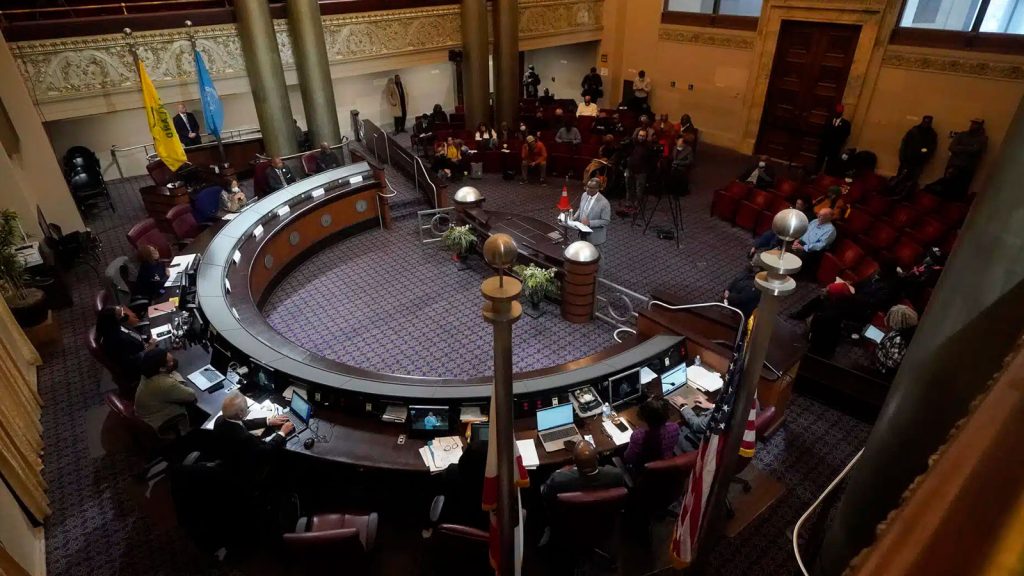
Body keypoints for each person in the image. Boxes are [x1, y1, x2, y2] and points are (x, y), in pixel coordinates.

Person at [134, 349, 196, 437]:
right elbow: (191, 395)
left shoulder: (147, 372)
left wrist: (170, 372)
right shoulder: (164, 384)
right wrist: (174, 375)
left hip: (145, 412)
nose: (173, 361)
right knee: (193, 405)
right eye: (170, 362)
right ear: (162, 368)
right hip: (158, 419)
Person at [541, 440, 625, 499]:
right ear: (597, 458)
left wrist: (560, 471)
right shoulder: (616, 474)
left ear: (574, 461)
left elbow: (546, 494)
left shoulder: (558, 479)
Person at [929, 118, 988, 201]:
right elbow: (952, 147)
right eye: (973, 123)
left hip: (967, 168)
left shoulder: (982, 139)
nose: (973, 126)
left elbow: (976, 150)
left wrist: (960, 149)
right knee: (946, 186)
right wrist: (967, 149)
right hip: (953, 165)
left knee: (960, 190)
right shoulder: (962, 135)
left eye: (976, 124)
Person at [623, 399, 679, 470]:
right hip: (666, 466)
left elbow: (628, 458)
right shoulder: (675, 427)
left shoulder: (638, 435)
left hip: (644, 470)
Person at [96, 305, 151, 375]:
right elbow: (133, 362)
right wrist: (149, 349)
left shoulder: (116, 327)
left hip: (144, 348)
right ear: (113, 320)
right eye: (120, 315)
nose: (124, 314)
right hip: (141, 366)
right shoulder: (116, 341)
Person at [874, 305, 919, 375]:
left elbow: (893, 363)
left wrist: (878, 350)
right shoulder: (910, 330)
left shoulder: (899, 339)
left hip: (884, 371)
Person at [897, 115, 937, 183]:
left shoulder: (931, 134)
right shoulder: (915, 131)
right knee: (902, 179)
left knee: (910, 180)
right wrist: (902, 157)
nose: (926, 124)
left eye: (928, 122)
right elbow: (905, 143)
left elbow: (931, 148)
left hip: (917, 161)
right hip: (908, 159)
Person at [573, 178, 611, 247]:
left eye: (591, 188)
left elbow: (606, 221)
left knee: (596, 257)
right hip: (582, 234)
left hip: (594, 239)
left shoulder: (604, 203)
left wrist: (590, 223)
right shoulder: (584, 195)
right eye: (587, 186)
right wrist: (575, 216)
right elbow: (581, 208)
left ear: (598, 189)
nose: (587, 189)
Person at [625, 129, 657, 206]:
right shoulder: (632, 144)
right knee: (629, 187)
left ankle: (637, 204)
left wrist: (647, 170)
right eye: (640, 135)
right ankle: (629, 202)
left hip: (642, 171)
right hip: (630, 169)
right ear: (637, 135)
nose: (641, 137)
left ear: (646, 137)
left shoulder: (648, 147)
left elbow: (651, 160)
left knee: (639, 189)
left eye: (643, 136)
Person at [817, 104, 851, 174]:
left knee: (831, 163)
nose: (837, 114)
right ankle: (816, 173)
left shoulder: (846, 124)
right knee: (820, 160)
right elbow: (823, 131)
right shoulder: (829, 120)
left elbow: (846, 134)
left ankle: (827, 175)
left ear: (841, 113)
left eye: (839, 113)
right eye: (836, 112)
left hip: (835, 147)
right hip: (824, 145)